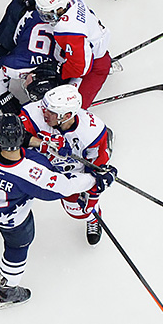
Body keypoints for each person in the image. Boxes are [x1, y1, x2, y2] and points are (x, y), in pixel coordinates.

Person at [0, 113, 116, 309]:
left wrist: (41, 144)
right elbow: (64, 186)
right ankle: (8, 290)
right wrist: (97, 179)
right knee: (17, 248)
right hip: (13, 218)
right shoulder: (34, 170)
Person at [18, 85, 113, 245]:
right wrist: (42, 143)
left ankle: (92, 216)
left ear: (67, 115)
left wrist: (90, 197)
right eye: (44, 106)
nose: (44, 112)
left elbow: (96, 170)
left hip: (72, 172)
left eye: (51, 112)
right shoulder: (33, 113)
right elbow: (9, 137)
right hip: (39, 165)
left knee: (77, 210)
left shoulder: (92, 131)